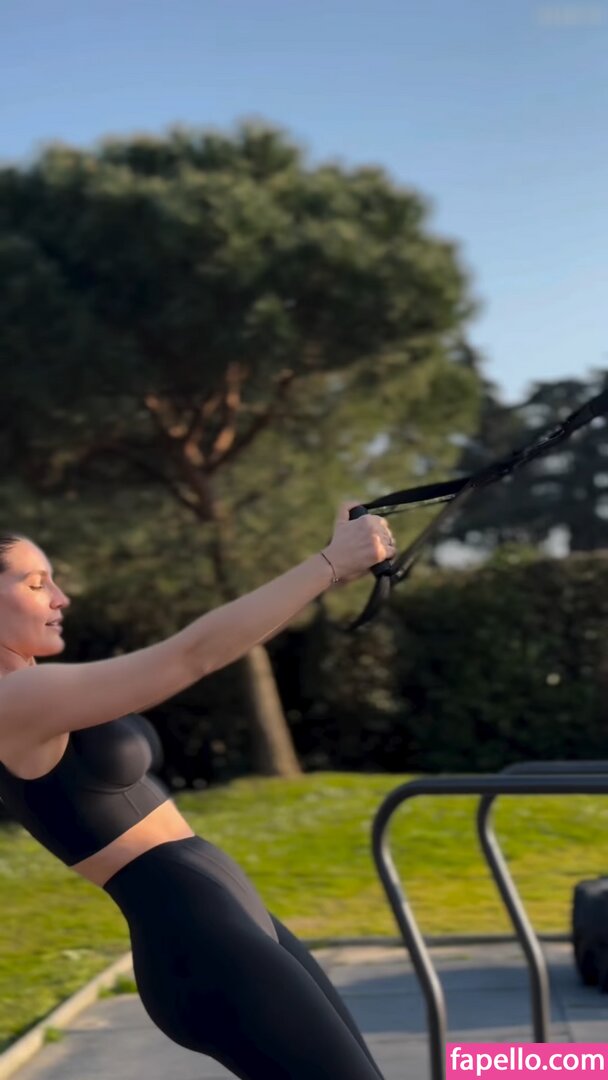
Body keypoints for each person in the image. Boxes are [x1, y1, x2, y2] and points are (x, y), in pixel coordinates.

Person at [0, 502, 395, 1080]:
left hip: (225, 912)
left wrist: (332, 571)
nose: (61, 598)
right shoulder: (14, 701)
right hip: (197, 936)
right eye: (37, 584)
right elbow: (193, 654)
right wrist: (330, 564)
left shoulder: (35, 686)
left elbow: (221, 645)